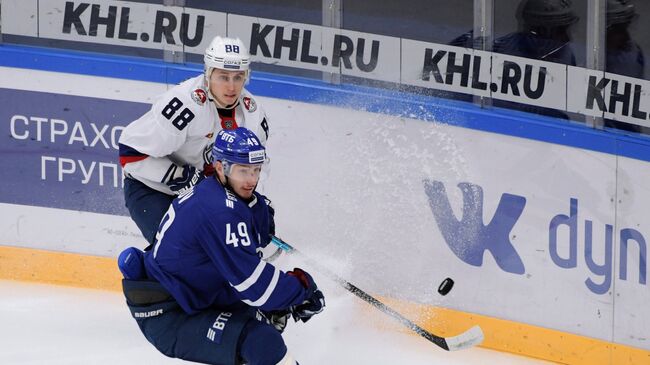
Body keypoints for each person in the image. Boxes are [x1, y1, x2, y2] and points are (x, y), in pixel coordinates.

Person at [118, 127, 325, 365]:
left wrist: (258, 216)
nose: (251, 180)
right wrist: (301, 291)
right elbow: (252, 283)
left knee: (264, 320)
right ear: (220, 167)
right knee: (261, 341)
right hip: (170, 313)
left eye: (256, 170)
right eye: (243, 171)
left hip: (199, 294)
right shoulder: (219, 210)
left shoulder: (223, 194)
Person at [119, 36, 270, 246]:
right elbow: (130, 154)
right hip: (153, 188)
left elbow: (252, 168)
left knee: (231, 247)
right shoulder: (185, 105)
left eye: (238, 77)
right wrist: (181, 176)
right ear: (208, 74)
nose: (231, 86)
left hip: (206, 194)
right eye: (223, 76)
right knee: (175, 248)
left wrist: (252, 202)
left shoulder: (253, 115)